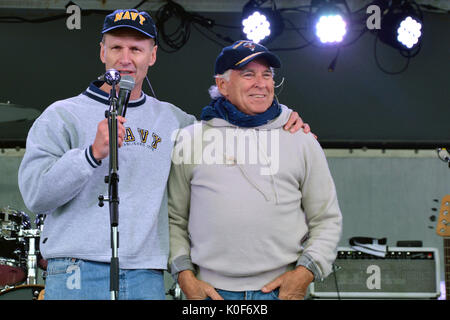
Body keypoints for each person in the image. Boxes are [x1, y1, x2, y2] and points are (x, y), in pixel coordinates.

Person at [18, 10, 309, 300]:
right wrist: (90, 155)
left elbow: (231, 137)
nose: (126, 58)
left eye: (136, 49)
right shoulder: (62, 115)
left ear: (152, 56)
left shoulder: (173, 121)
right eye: (117, 47)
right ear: (102, 52)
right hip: (75, 269)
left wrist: (282, 118)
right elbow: (36, 195)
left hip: (146, 274)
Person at [168, 40, 343, 300]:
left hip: (280, 291)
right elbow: (174, 219)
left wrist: (305, 273)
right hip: (209, 294)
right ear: (222, 84)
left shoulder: (300, 138)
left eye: (267, 75)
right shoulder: (189, 140)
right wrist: (185, 278)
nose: (260, 83)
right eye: (248, 74)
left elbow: (326, 219)